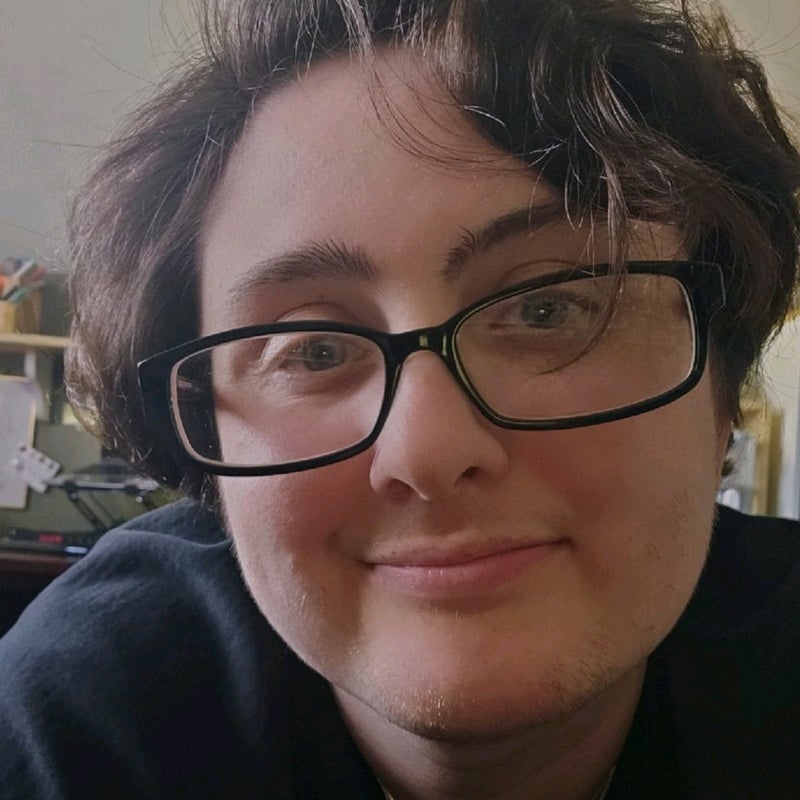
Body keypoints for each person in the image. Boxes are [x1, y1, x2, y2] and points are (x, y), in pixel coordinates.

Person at [2, 0, 800, 797]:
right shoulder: (77, 731)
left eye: (548, 308)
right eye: (313, 351)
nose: (426, 451)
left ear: (722, 390)